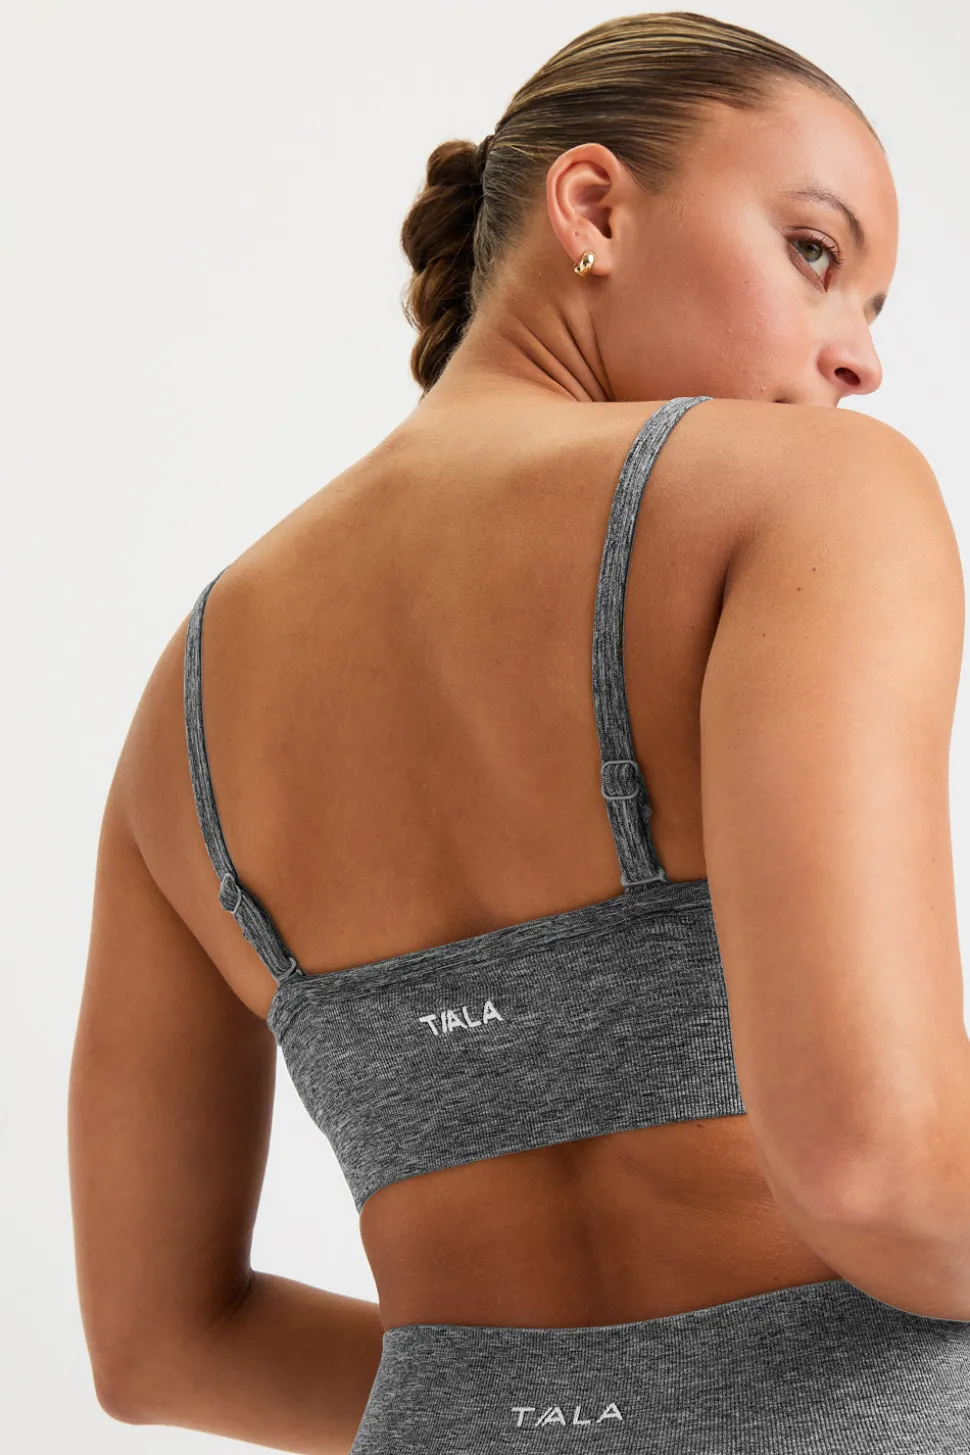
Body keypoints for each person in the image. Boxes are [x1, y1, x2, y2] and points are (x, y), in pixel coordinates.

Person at [69, 10, 970, 1453]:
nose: (858, 359)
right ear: (593, 208)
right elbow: (877, 1170)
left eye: (871, 306)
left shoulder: (182, 704)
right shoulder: (807, 494)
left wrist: (543, 1410)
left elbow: (161, 1345)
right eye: (816, 252)